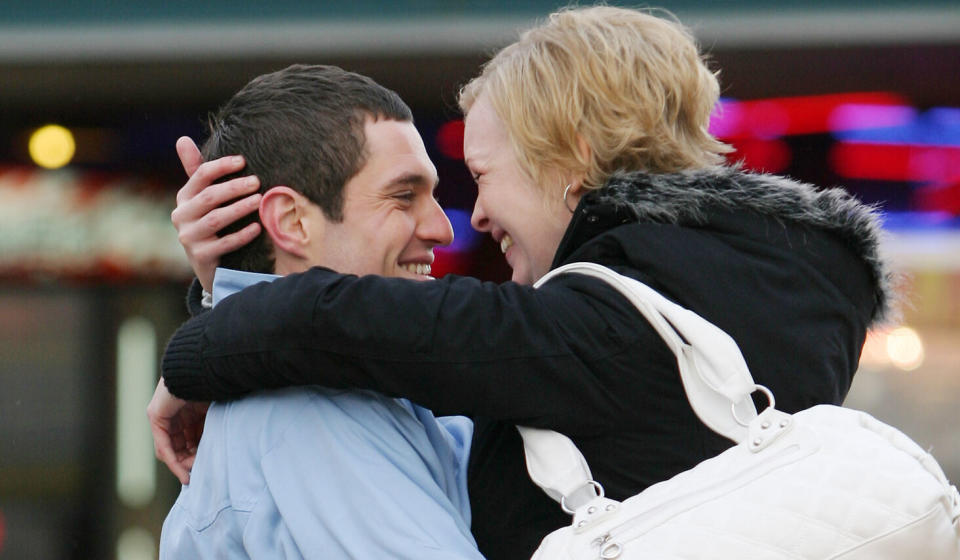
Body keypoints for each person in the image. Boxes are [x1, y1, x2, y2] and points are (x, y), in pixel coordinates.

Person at [151, 6, 895, 559]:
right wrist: (230, 296)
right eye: (406, 196)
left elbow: (352, 325)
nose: (465, 220)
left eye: (478, 176)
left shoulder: (611, 326)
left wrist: (212, 329)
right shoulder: (754, 290)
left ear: (567, 156)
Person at [155, 64, 484, 559]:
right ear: (291, 221)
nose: (443, 228)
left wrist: (216, 313)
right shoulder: (316, 408)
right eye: (403, 196)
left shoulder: (315, 386)